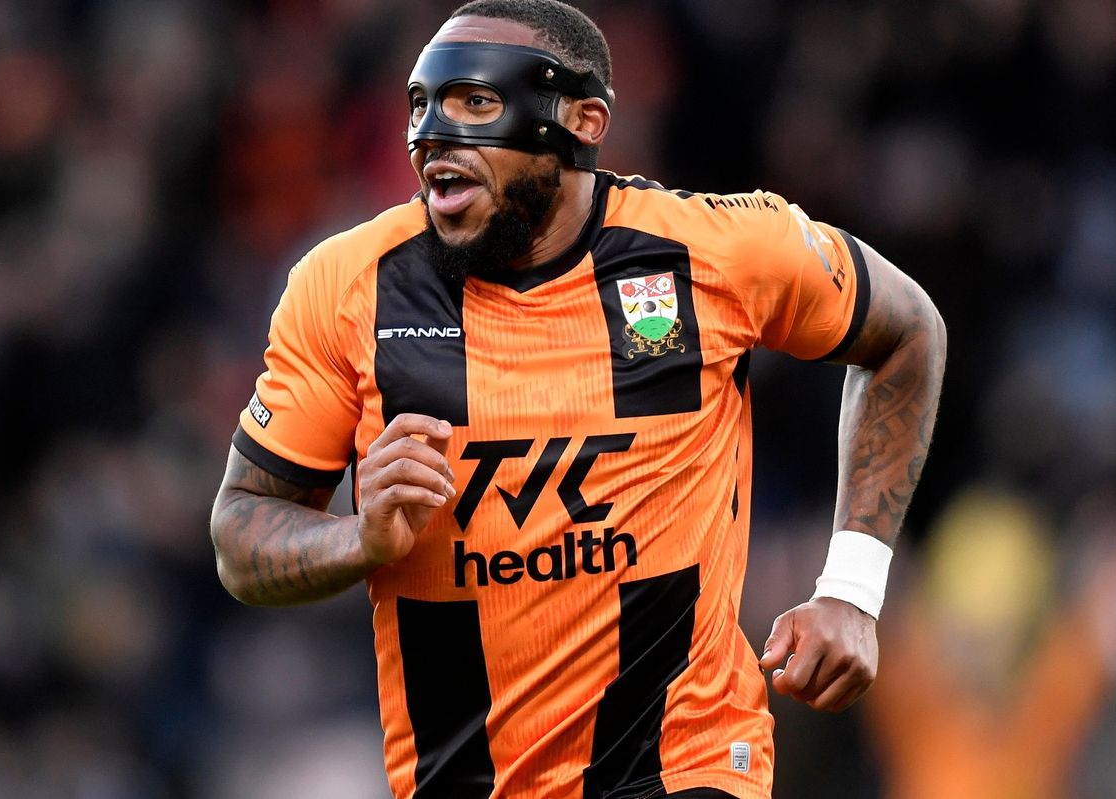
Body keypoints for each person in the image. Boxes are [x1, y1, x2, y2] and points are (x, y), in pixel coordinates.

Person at [209, 1, 947, 796]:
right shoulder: (348, 287)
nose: (434, 138)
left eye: (477, 105)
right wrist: (358, 538)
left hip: (685, 764)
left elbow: (907, 331)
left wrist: (851, 589)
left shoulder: (715, 254)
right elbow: (241, 535)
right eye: (421, 109)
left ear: (583, 120)